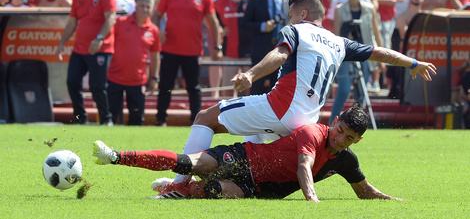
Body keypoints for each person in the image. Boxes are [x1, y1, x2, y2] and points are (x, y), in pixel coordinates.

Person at [158, 0, 436, 190]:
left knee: (205, 118)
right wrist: (413, 62)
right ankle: (234, 184)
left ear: (302, 14)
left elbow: (280, 54)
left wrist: (251, 74)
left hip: (280, 107)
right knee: (252, 141)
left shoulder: (297, 30)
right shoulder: (339, 42)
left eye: (291, 15)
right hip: (306, 124)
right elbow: (379, 53)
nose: (289, 20)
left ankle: (179, 184)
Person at [93, 103, 406, 201]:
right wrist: (312, 201)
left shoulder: (347, 159)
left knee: (216, 191)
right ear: (334, 122)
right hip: (246, 157)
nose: (340, 140)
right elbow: (304, 168)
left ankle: (178, 190)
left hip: (258, 189)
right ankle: (117, 156)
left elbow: (364, 191)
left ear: (357, 141)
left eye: (349, 138)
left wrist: (396, 202)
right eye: (340, 131)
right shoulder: (314, 131)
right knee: (192, 163)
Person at [155, 0, 222, 126]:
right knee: (165, 86)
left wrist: (217, 47)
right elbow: (156, 15)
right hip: (170, 48)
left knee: (194, 88)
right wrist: (158, 32)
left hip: (193, 50)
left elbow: (214, 23)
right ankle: (160, 120)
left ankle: (196, 122)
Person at [56, 0, 117, 125]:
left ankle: (106, 119)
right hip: (80, 48)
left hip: (101, 48)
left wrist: (98, 39)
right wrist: (62, 42)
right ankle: (80, 119)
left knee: (97, 86)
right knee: (72, 81)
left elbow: (110, 18)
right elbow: (72, 22)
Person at [330, 0, 378, 124]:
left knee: (361, 92)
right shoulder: (340, 9)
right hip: (347, 54)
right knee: (343, 90)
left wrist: (381, 55)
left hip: (365, 53)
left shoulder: (369, 9)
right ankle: (333, 123)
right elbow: (337, 34)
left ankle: (358, 124)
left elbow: (376, 32)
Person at [107, 0, 161, 125]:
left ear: (152, 10)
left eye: (148, 7)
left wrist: (155, 77)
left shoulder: (153, 30)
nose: (145, 9)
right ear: (135, 7)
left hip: (137, 80)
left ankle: (134, 146)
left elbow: (155, 56)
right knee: (110, 118)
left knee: (137, 119)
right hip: (115, 77)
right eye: (142, 6)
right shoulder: (120, 22)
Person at [243, 0, 289, 95]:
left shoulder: (289, 1)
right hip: (260, 53)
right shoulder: (256, 0)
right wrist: (262, 26)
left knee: (278, 93)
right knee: (256, 91)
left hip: (282, 53)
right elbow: (245, 24)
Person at [214, 0, 252, 97]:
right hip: (229, 52)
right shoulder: (220, 3)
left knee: (250, 88)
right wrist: (219, 29)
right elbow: (211, 20)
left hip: (248, 52)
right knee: (227, 89)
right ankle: (227, 115)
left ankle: (249, 115)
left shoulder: (250, 1)